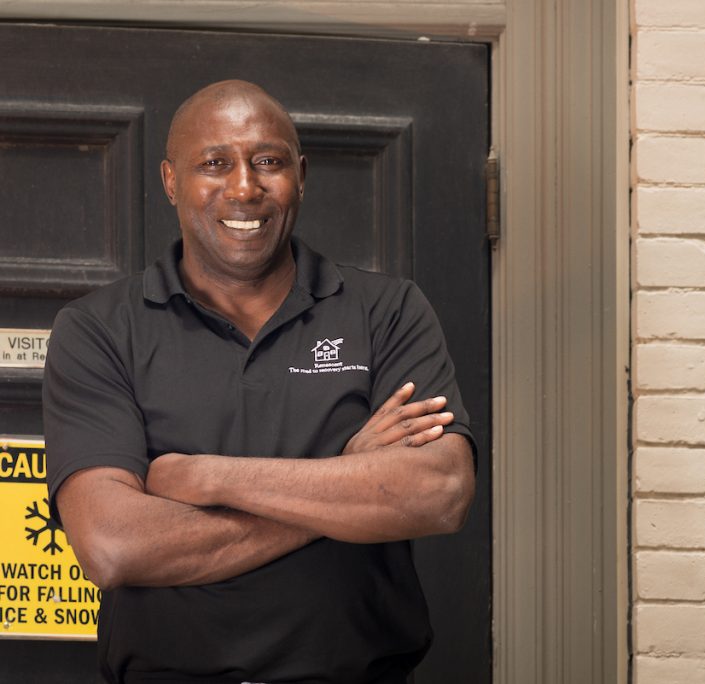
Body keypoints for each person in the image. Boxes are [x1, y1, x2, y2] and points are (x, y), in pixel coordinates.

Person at [42, 80, 475, 684]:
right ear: (171, 181)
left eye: (266, 162)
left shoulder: (386, 311)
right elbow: (113, 544)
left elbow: (440, 491)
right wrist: (346, 478)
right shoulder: (99, 331)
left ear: (300, 175)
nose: (244, 187)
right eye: (214, 164)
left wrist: (204, 476)